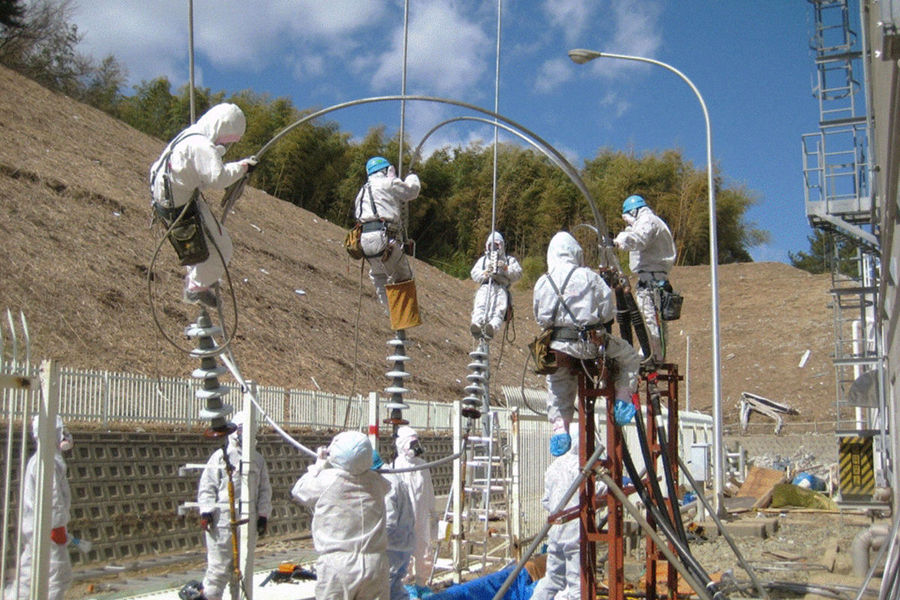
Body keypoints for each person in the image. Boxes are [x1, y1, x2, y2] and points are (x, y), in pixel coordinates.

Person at [533, 231, 642, 456]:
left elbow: (541, 318)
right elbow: (606, 312)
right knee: (628, 356)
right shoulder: (588, 276)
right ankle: (622, 400)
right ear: (576, 253)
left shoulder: (544, 281)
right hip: (589, 345)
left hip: (557, 346)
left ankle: (559, 428)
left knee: (557, 383)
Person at [149, 103, 258, 308]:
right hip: (178, 204)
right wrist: (243, 167)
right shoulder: (202, 145)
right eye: (226, 141)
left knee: (204, 246)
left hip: (169, 196)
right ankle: (196, 287)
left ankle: (201, 278)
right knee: (222, 247)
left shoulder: (191, 135)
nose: (224, 146)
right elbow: (217, 178)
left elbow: (203, 174)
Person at [291, 431, 390, 599]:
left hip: (338, 565)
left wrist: (319, 464)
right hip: (375, 563)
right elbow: (386, 485)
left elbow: (299, 490)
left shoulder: (327, 479)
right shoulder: (377, 481)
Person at [197, 413, 272, 600]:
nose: (244, 433)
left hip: (248, 521)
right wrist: (206, 511)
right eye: (240, 429)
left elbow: (264, 491)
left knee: (242, 571)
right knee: (218, 570)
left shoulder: (257, 459)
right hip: (222, 521)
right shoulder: (221, 456)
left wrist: (262, 516)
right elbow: (208, 486)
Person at [4, 416, 74, 600]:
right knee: (59, 577)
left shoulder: (40, 459)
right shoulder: (48, 461)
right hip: (48, 530)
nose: (65, 436)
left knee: (29, 576)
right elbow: (52, 497)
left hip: (36, 528)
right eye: (61, 431)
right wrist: (58, 527)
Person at [531, 428, 605, 600]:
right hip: (575, 534)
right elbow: (597, 491)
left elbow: (546, 501)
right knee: (577, 585)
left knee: (552, 579)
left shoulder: (554, 466)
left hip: (555, 533)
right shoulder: (582, 467)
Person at [613, 194, 677, 364]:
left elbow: (638, 239)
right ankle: (652, 353)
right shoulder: (650, 222)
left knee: (650, 320)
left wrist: (619, 242)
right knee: (651, 321)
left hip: (652, 282)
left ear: (634, 211)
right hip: (651, 279)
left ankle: (653, 356)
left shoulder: (648, 221)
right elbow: (634, 234)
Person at [354, 156, 421, 307]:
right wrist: (411, 177)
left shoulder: (363, 191)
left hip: (365, 241)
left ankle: (391, 315)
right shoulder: (388, 182)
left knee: (379, 276)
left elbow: (358, 215)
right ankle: (404, 318)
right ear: (386, 170)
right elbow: (411, 191)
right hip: (385, 237)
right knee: (403, 277)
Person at [392, 426, 436, 595]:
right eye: (412, 443)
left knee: (424, 549)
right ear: (402, 445)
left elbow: (429, 489)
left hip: (422, 515)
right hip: (404, 518)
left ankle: (422, 584)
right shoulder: (396, 466)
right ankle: (405, 585)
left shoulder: (423, 465)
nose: (415, 447)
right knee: (405, 551)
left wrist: (433, 512)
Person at [373, 449, 416, 600]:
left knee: (385, 588)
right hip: (402, 543)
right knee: (396, 588)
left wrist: (371, 543)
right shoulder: (392, 476)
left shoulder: (384, 484)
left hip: (392, 547)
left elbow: (389, 523)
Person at [469, 231, 522, 339]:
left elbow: (518, 273)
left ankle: (492, 327)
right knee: (480, 307)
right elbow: (474, 273)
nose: (494, 247)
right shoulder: (483, 260)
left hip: (501, 288)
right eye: (491, 245)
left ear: (501, 245)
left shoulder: (509, 260)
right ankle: (477, 325)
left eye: (496, 245)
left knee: (499, 310)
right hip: (485, 287)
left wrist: (506, 268)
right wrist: (485, 273)